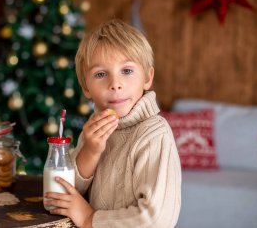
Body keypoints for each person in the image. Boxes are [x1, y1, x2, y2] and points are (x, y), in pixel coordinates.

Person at [44, 19, 182, 227]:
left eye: (126, 71)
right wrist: (90, 151)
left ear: (147, 77)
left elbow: (155, 220)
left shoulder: (154, 134)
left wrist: (90, 219)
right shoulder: (94, 128)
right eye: (100, 74)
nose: (115, 84)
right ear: (86, 87)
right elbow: (63, 195)